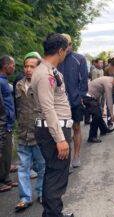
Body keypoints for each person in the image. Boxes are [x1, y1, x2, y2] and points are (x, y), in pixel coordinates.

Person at [31, 33, 74, 217]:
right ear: (60, 50)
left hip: (54, 128)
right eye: (66, 50)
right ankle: (52, 215)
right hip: (53, 131)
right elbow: (48, 108)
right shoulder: (44, 74)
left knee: (54, 173)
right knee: (56, 176)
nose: (66, 53)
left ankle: (53, 213)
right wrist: (60, 139)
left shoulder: (49, 70)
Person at [15, 52, 45, 212]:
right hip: (23, 134)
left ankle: (41, 192)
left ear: (38, 68)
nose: (28, 69)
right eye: (26, 66)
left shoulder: (43, 84)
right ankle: (24, 198)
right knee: (23, 167)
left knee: (42, 166)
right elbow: (16, 108)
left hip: (39, 133)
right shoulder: (18, 85)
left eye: (32, 66)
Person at [58, 34, 88, 168]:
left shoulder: (79, 59)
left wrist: (80, 97)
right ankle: (65, 158)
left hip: (75, 101)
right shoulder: (56, 59)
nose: (67, 47)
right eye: (64, 44)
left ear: (71, 44)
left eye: (68, 44)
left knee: (76, 128)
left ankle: (76, 156)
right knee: (62, 130)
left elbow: (84, 81)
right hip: (59, 102)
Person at [83, 75, 114, 142]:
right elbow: (109, 100)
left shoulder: (109, 79)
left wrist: (100, 106)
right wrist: (111, 114)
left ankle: (104, 129)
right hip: (88, 97)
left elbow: (99, 92)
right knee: (96, 116)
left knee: (98, 113)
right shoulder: (109, 84)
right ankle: (92, 137)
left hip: (92, 97)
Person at [0, 55, 17, 193]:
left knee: (7, 153)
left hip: (9, 124)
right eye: (12, 64)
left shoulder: (5, 81)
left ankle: (5, 178)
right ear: (5, 66)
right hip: (3, 124)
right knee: (2, 152)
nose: (14, 67)